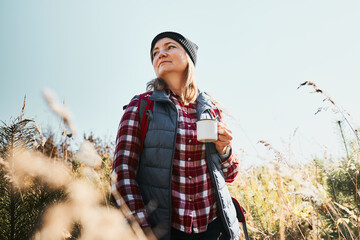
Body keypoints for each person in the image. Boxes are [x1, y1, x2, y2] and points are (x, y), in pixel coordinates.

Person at [111, 31, 241, 240]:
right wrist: (142, 230)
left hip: (214, 228)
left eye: (170, 47)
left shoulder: (211, 110)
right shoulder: (140, 106)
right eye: (155, 52)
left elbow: (231, 173)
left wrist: (224, 149)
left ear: (188, 57)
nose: (160, 54)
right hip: (165, 231)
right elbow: (122, 174)